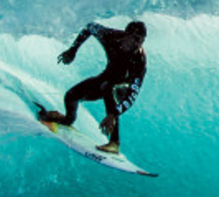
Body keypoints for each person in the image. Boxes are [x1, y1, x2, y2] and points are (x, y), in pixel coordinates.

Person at [38, 20, 147, 154]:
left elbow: (132, 95)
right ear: (126, 35)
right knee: (71, 96)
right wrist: (73, 49)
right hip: (105, 79)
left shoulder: (140, 60)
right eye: (135, 39)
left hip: (123, 90)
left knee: (109, 88)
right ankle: (67, 119)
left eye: (141, 41)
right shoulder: (110, 36)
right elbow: (90, 26)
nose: (138, 44)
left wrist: (113, 114)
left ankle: (114, 143)